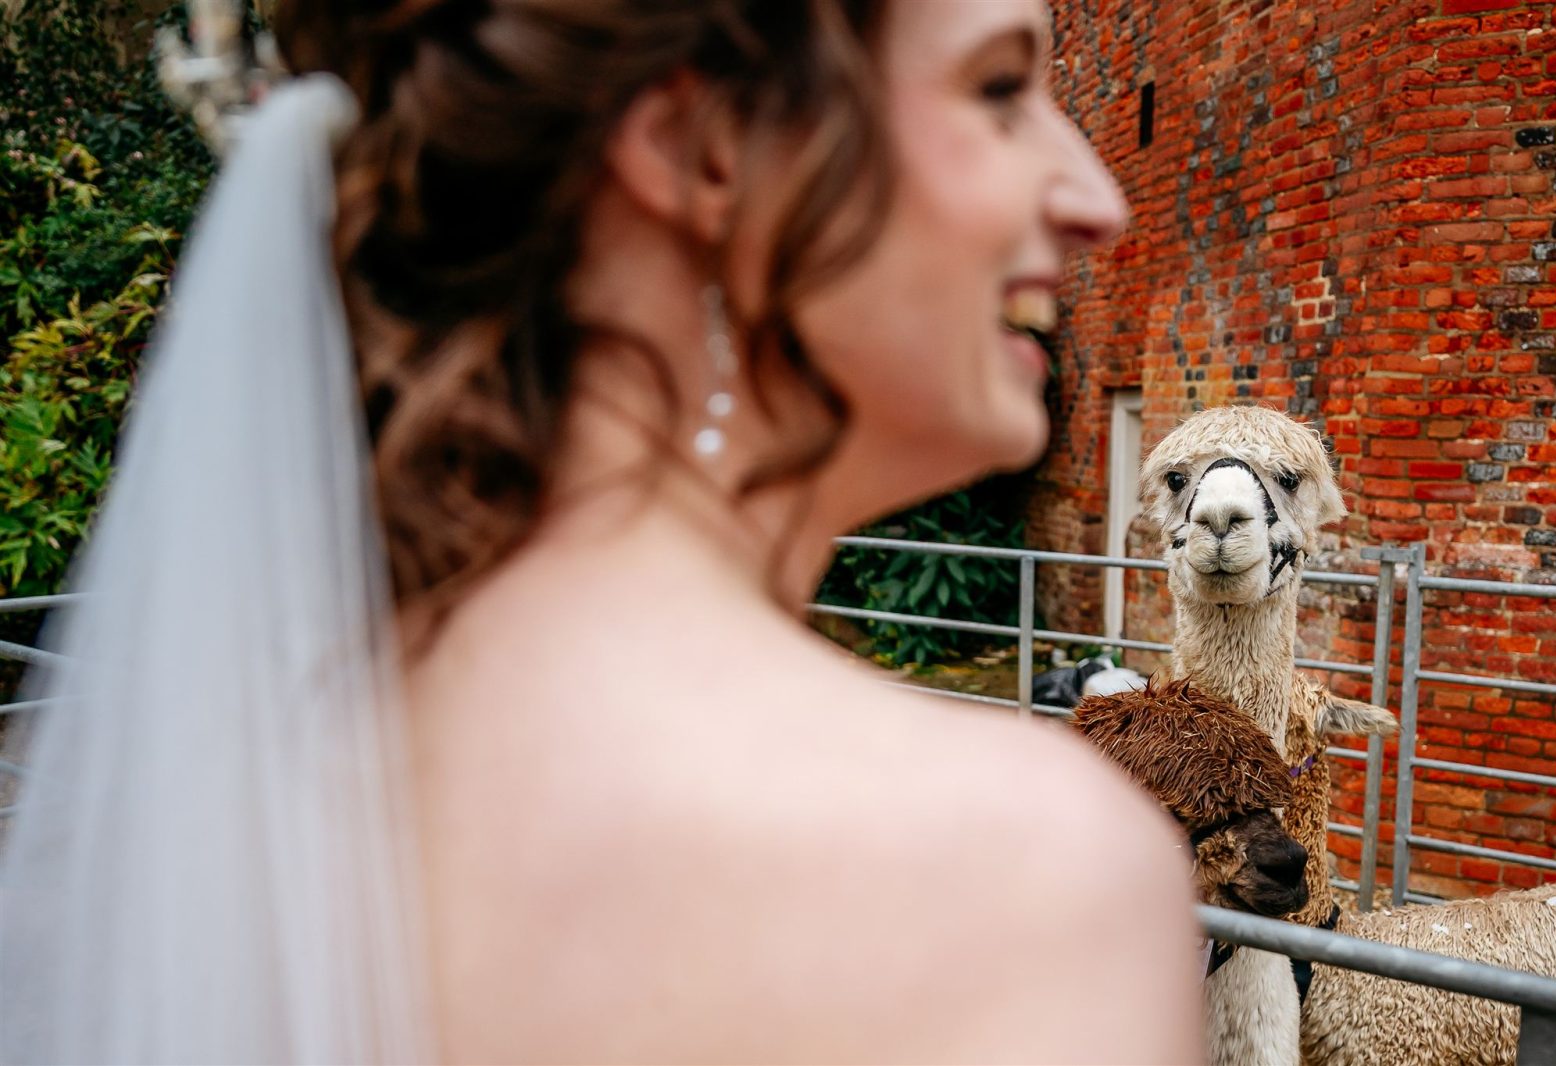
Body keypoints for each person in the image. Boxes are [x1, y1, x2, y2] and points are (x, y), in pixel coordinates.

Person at [0, 1, 1204, 1062]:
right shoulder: (1020, 879)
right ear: (706, 147)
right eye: (998, 89)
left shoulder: (203, 795)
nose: (1095, 198)